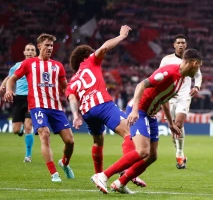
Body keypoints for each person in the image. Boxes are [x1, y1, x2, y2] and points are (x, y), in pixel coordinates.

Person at [90, 49, 202, 194]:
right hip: (140, 110)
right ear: (193, 63)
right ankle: (103, 176)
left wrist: (170, 123)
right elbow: (141, 85)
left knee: (152, 156)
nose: (198, 70)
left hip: (151, 114)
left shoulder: (182, 79)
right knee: (143, 151)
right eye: (198, 66)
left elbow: (163, 99)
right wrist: (135, 110)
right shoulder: (168, 72)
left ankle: (120, 183)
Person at [66, 25, 146, 187]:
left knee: (98, 142)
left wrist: (75, 116)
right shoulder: (90, 61)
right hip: (102, 104)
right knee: (129, 132)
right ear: (84, 57)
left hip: (87, 112)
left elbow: (72, 98)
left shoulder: (72, 81)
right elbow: (104, 48)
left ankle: (98, 175)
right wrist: (121, 36)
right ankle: (128, 171)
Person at [5, 34, 75, 182]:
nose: (50, 48)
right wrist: (9, 90)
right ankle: (54, 173)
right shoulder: (29, 63)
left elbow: (65, 87)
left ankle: (64, 163)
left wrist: (72, 96)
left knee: (70, 141)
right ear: (39, 46)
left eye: (51, 46)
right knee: (45, 135)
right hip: (37, 107)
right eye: (47, 45)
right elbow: (12, 79)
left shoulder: (58, 66)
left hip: (55, 107)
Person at [159, 34, 202, 169]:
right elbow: (159, 74)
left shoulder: (191, 60)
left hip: (184, 95)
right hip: (169, 96)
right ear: (174, 45)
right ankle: (180, 151)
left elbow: (198, 74)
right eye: (178, 43)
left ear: (186, 45)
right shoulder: (167, 60)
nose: (181, 45)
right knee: (173, 129)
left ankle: (179, 153)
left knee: (178, 123)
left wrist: (196, 86)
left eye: (183, 43)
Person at [0, 43, 36, 162]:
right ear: (24, 52)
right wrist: (3, 86)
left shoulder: (38, 65)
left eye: (32, 50)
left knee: (28, 126)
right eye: (28, 50)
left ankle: (28, 155)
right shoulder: (17, 66)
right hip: (18, 99)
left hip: (32, 98)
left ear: (35, 53)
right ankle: (20, 130)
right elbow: (9, 77)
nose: (30, 52)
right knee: (16, 130)